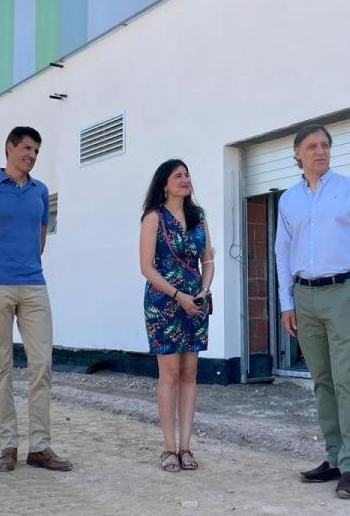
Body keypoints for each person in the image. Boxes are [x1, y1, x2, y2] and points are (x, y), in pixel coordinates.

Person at [274, 124, 350, 499]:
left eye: (325, 145)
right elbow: (281, 253)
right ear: (297, 154)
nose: (320, 151)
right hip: (304, 296)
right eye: (311, 146)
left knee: (347, 378)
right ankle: (334, 457)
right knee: (321, 380)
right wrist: (286, 302)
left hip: (344, 292)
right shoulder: (288, 200)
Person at [0, 126, 72, 473]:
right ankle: (7, 446)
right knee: (2, 367)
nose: (32, 155)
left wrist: (26, 267)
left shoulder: (40, 192)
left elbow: (40, 240)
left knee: (42, 364)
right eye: (26, 148)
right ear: (9, 147)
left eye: (36, 151)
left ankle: (39, 447)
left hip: (33, 286)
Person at [139, 159, 215, 472]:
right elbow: (146, 267)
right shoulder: (153, 218)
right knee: (169, 374)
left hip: (195, 303)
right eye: (177, 175)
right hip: (164, 303)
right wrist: (177, 295)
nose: (185, 179)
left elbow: (208, 260)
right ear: (165, 184)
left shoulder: (199, 218)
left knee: (190, 374)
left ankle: (186, 447)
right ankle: (168, 448)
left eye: (187, 174)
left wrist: (204, 290)